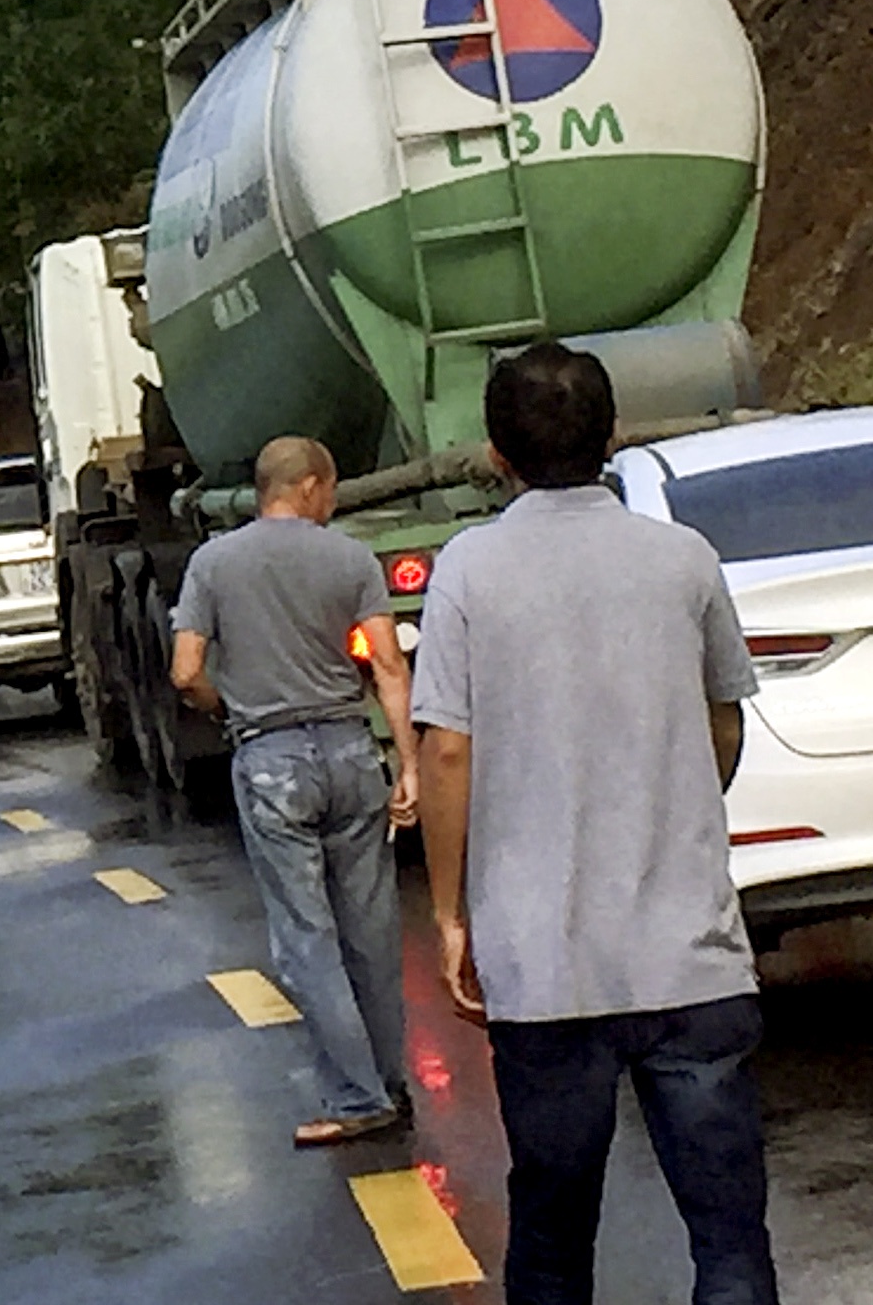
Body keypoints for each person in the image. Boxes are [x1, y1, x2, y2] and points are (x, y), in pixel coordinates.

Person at [413, 341, 777, 1305]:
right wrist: (676, 810)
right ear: (613, 436)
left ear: (496, 452)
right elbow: (725, 720)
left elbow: (445, 750)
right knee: (730, 1238)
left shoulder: (468, 570)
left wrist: (451, 914)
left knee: (551, 1239)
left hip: (544, 969)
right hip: (689, 955)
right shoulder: (683, 559)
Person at [169, 435, 419, 1147]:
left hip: (271, 757)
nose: (333, 501)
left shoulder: (212, 564)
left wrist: (230, 706)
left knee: (307, 939)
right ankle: (390, 1082)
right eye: (332, 488)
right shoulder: (348, 558)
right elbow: (390, 665)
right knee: (370, 930)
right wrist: (408, 762)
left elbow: (185, 671)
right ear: (308, 486)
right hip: (347, 748)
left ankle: (354, 1096)